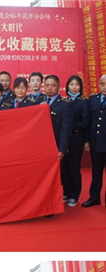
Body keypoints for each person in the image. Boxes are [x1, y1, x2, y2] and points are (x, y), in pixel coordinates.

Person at [59, 75, 90, 207]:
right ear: (67, 86)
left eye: (77, 85)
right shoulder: (64, 101)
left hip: (76, 141)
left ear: (80, 87)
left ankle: (74, 195)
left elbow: (85, 122)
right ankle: (66, 192)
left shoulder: (83, 102)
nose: (74, 87)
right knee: (64, 169)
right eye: (71, 84)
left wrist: (68, 126)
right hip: (64, 141)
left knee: (74, 169)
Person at [83, 74, 106, 208]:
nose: (105, 87)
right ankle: (94, 197)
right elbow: (88, 122)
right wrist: (87, 141)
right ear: (98, 85)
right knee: (96, 172)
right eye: (102, 84)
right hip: (95, 142)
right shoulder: (92, 99)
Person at [44, 75, 73, 164]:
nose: (49, 88)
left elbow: (66, 129)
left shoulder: (65, 105)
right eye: (47, 85)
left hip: (56, 145)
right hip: (43, 145)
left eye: (53, 85)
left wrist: (62, 149)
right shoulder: (40, 102)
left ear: (58, 87)